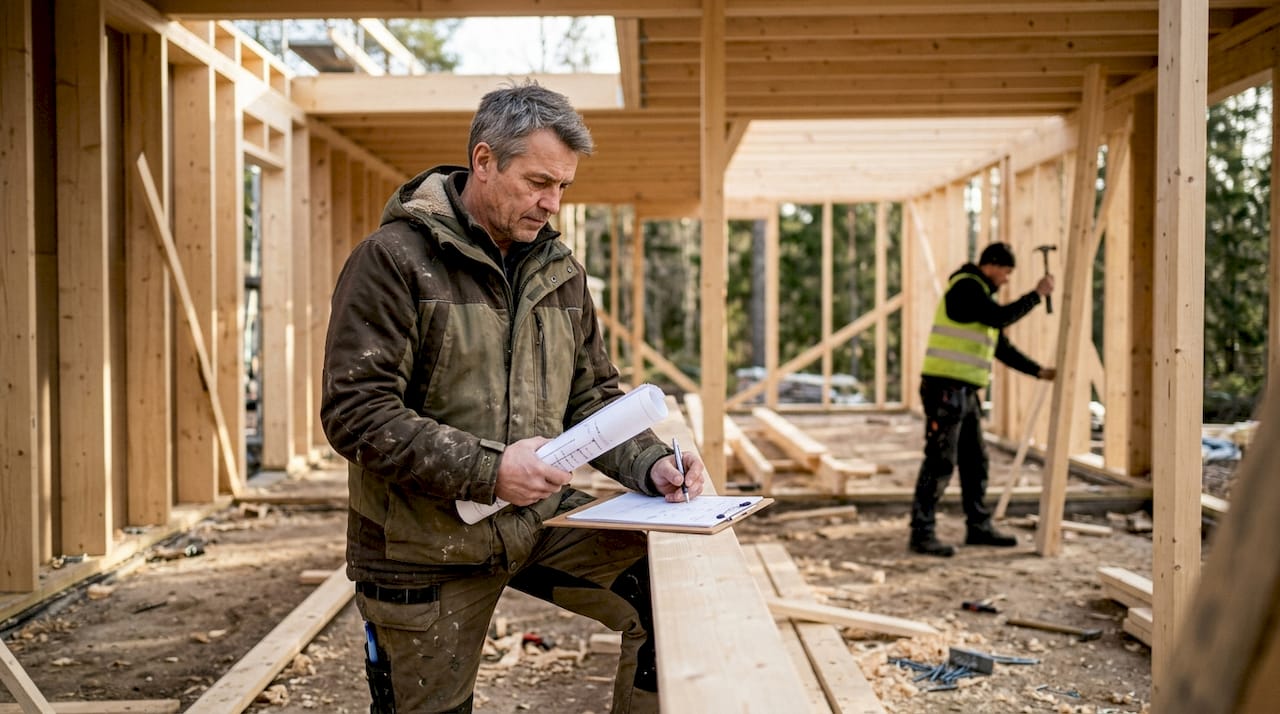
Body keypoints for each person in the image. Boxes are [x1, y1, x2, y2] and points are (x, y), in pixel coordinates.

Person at [320, 81, 705, 714]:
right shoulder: (393, 261)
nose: (552, 202)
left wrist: (651, 463)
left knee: (670, 601)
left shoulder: (560, 272)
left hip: (536, 522)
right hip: (422, 546)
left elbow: (591, 395)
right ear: (484, 161)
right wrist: (491, 469)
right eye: (538, 182)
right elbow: (356, 413)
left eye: (563, 186)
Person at [908, 242, 1056, 558]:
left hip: (964, 392)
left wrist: (1039, 371)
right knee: (940, 460)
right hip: (945, 389)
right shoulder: (966, 288)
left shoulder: (981, 299)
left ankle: (978, 526)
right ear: (991, 265)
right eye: (1006, 272)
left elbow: (1001, 347)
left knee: (976, 460)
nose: (1006, 280)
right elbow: (1000, 317)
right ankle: (922, 533)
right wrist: (1036, 295)